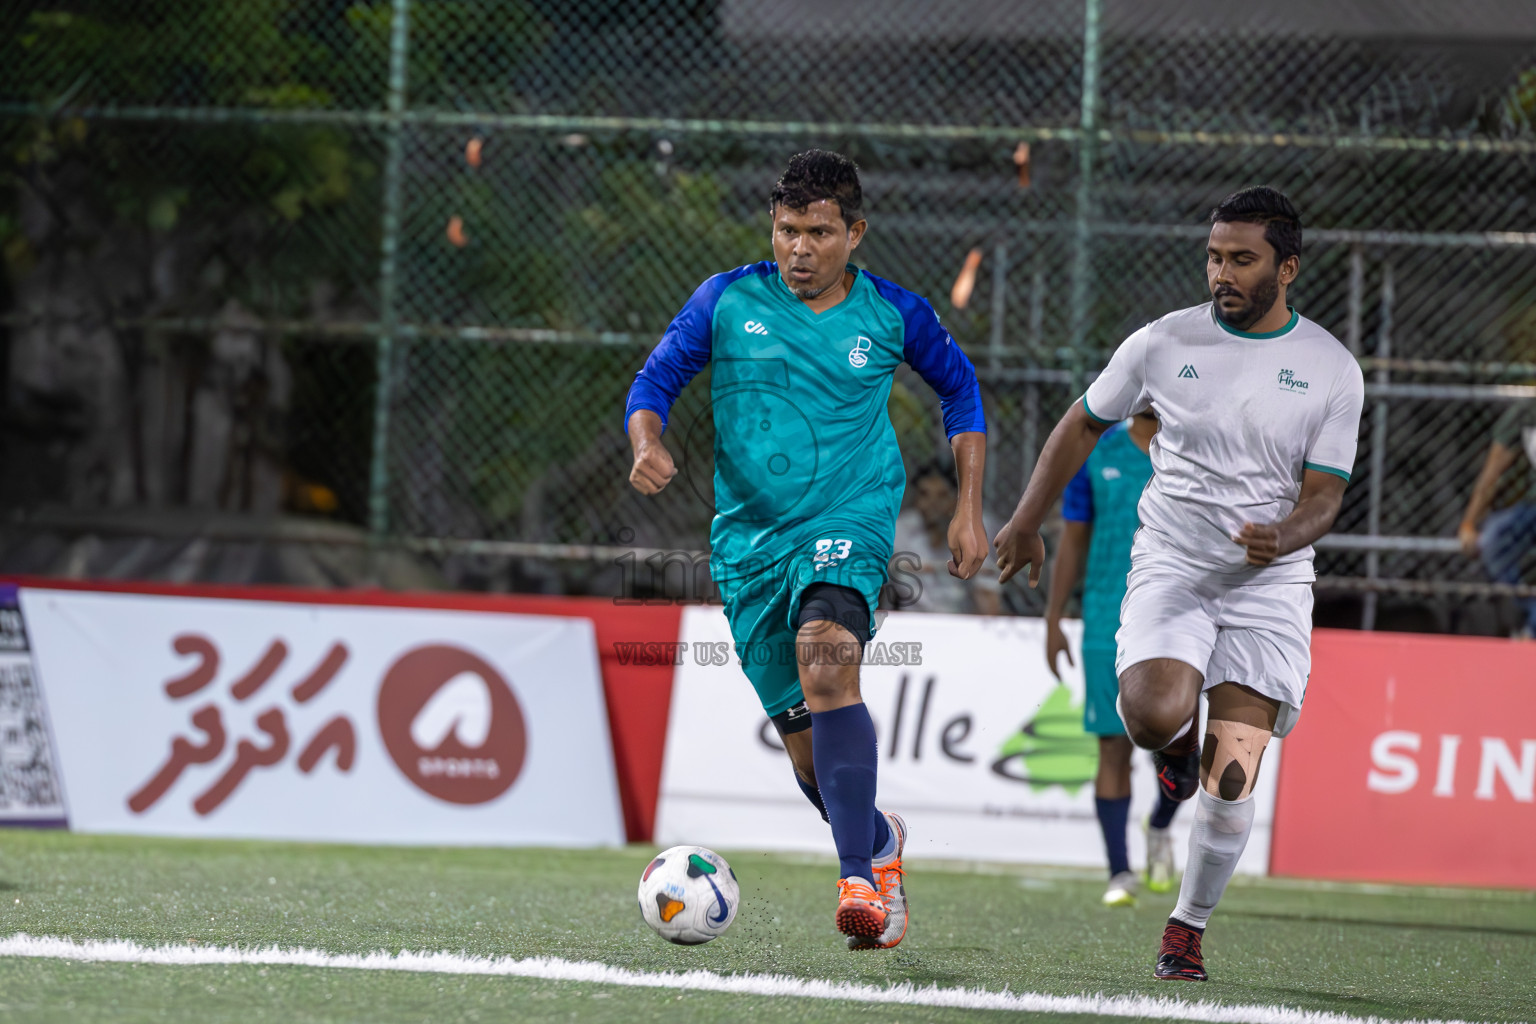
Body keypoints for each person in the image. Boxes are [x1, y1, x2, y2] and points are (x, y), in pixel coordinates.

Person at [995, 186, 1363, 981]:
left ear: (1287, 267)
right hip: (1173, 564)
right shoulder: (1162, 343)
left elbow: (1327, 495)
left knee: (1232, 776)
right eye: (1214, 256)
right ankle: (1173, 752)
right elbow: (1081, 423)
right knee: (1152, 714)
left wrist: (1283, 535)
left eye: (1242, 258)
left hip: (1269, 584)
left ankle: (1186, 927)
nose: (1221, 272)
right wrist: (1028, 519)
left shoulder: (1332, 368)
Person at [624, 149, 988, 950]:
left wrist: (967, 511)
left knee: (826, 655)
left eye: (820, 233)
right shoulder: (725, 300)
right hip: (747, 545)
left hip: (850, 518)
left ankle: (855, 877)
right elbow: (653, 384)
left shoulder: (895, 314)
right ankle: (880, 846)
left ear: (854, 234)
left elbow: (961, 390)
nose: (800, 249)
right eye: (789, 231)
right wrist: (645, 440)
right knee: (811, 764)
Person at [1045, 409, 1182, 908]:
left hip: (1177, 616)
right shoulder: (1097, 452)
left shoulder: (1193, 449)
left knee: (1177, 746)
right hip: (1107, 616)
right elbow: (1074, 537)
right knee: (1112, 746)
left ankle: (1161, 823)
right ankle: (1120, 871)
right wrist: (1055, 616)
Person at [1458, 398, 1536, 636]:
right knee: (1493, 539)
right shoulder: (1526, 412)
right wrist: (1469, 523)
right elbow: (1491, 476)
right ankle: (1531, 618)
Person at [892, 462, 1002, 615]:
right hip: (911, 621)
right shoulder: (899, 531)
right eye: (924, 494)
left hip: (960, 622)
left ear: (957, 500)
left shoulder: (977, 529)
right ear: (916, 499)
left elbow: (988, 595)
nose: (932, 504)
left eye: (942, 495)